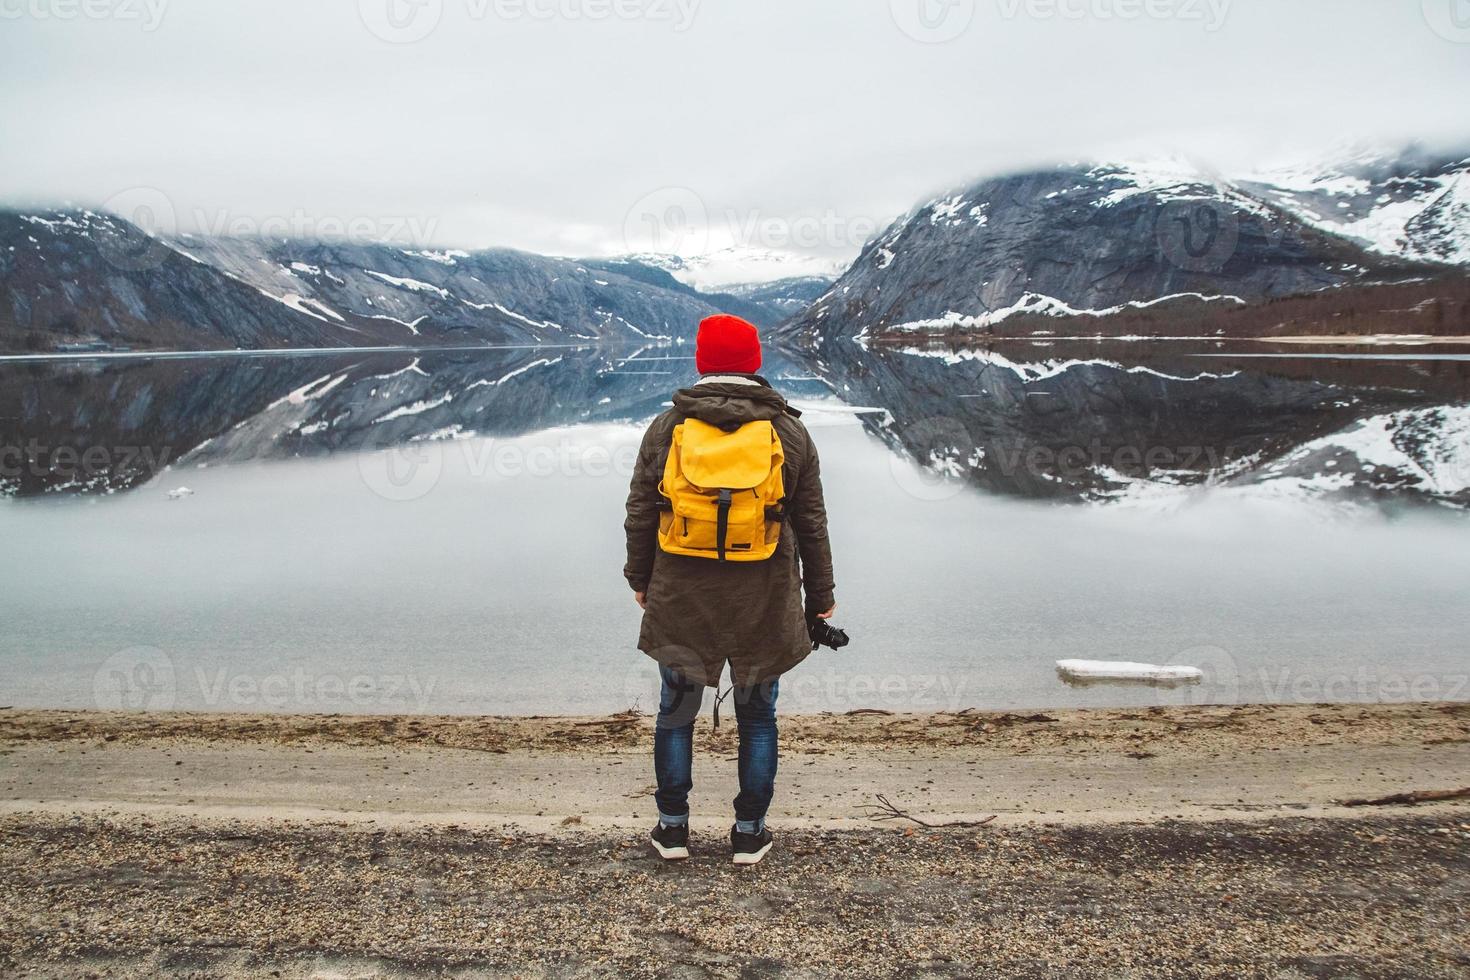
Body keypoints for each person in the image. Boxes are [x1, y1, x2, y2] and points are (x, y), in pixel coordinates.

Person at [623, 313, 836, 866]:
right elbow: (811, 521)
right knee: (758, 716)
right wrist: (821, 597)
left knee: (675, 711)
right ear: (754, 362)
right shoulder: (789, 431)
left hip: (680, 593)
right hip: (763, 594)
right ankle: (749, 833)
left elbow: (641, 511)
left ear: (702, 362)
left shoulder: (668, 427)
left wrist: (639, 578)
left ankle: (672, 831)